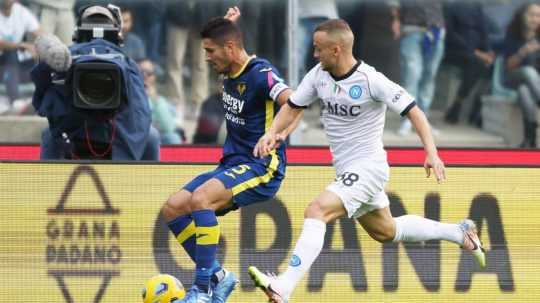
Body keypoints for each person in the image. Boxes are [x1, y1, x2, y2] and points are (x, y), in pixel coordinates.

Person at [248, 19, 486, 303]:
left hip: (369, 168)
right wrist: (273, 133)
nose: (314, 54)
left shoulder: (372, 80)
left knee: (317, 210)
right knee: (386, 231)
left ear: (336, 49)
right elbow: (293, 106)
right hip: (347, 170)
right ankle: (460, 233)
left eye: (318, 49)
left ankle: (283, 286)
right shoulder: (317, 75)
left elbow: (415, 112)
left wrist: (431, 153)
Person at [161, 8, 299, 303]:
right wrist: (227, 26)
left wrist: (277, 133)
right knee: (173, 209)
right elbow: (229, 45)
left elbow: (295, 102)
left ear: (231, 48)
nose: (207, 57)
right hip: (233, 163)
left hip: (263, 166)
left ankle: (201, 291)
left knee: (201, 199)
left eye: (210, 51)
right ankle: (218, 278)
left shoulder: (262, 74)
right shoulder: (229, 67)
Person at [397, 0, 445, 136]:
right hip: (412, 28)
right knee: (412, 74)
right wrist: (395, 20)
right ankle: (409, 119)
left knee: (429, 76)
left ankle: (423, 120)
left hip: (436, 31)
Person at [443, 1, 494, 126]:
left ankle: (475, 111)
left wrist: (488, 51)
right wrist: (474, 51)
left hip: (476, 53)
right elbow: (450, 34)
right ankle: (457, 105)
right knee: (475, 62)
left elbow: (484, 31)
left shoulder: (476, 7)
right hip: (455, 50)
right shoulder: (450, 6)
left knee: (490, 67)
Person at [502, 2, 540, 148]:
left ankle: (530, 139)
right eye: (531, 15)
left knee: (524, 91)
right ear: (523, 16)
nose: (534, 19)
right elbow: (508, 66)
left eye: (538, 16)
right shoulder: (513, 34)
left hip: (533, 85)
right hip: (512, 77)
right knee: (528, 72)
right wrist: (524, 51)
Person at [0, 0, 40, 114]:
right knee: (10, 53)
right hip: (4, 63)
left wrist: (40, 47)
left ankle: (40, 102)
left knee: (40, 57)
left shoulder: (21, 11)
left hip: (14, 68)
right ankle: (15, 101)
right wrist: (20, 45)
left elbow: (39, 32)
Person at [139, 59, 182, 144]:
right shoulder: (128, 94)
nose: (144, 76)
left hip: (155, 137)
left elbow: (168, 127)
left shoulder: (158, 100)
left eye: (149, 73)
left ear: (153, 77)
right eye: (140, 72)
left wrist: (155, 99)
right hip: (136, 137)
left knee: (173, 137)